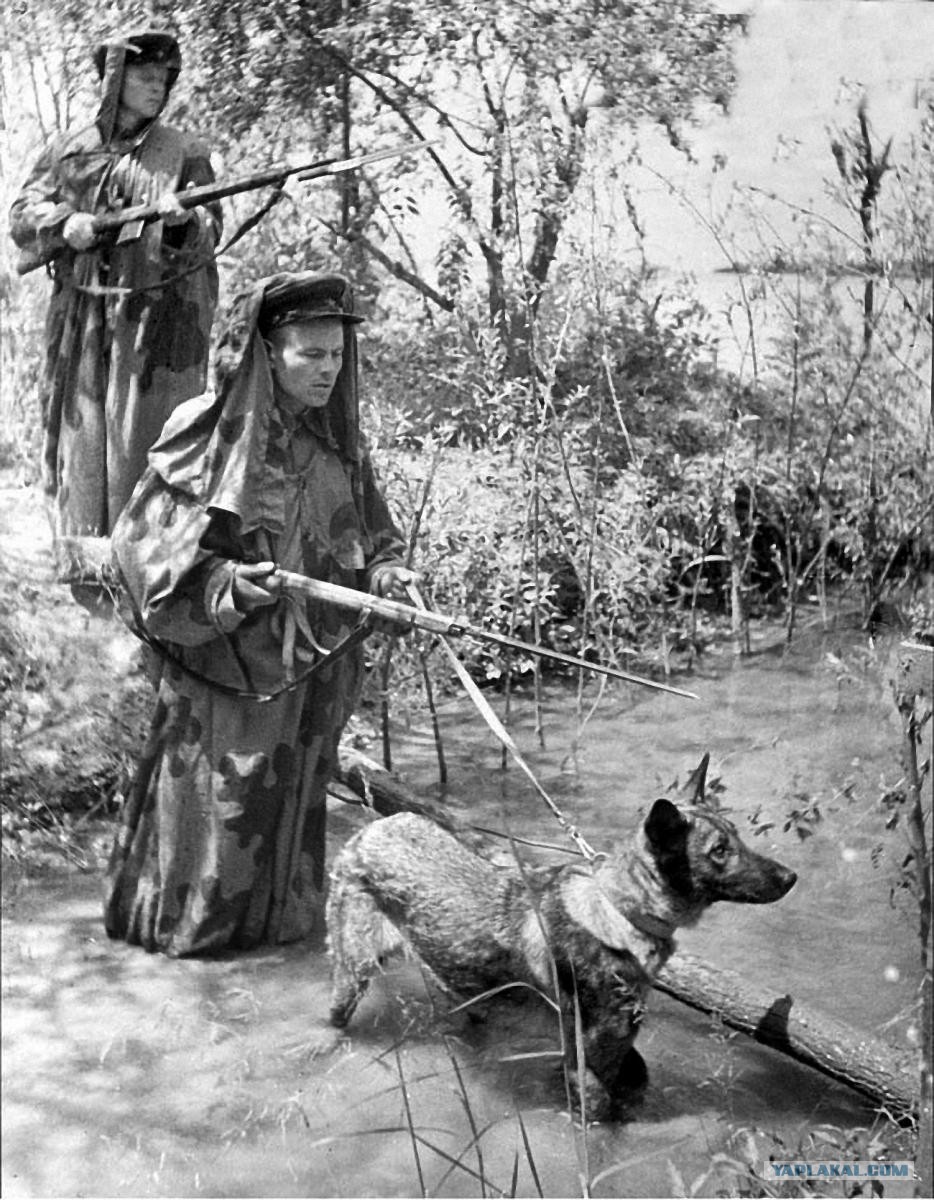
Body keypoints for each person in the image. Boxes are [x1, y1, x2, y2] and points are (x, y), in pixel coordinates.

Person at [104, 271, 418, 956]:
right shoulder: (205, 439)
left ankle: (273, 955)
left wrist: (389, 574)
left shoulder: (338, 447)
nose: (328, 370)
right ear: (268, 353)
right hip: (225, 678)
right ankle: (195, 956)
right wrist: (227, 588)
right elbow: (143, 554)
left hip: (306, 680)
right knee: (220, 812)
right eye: (312, 354)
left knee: (290, 807)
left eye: (337, 355)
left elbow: (378, 539)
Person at [8, 28, 221, 586]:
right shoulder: (69, 150)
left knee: (147, 437)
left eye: (165, 80)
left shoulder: (184, 152)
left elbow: (211, 229)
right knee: (79, 436)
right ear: (114, 81)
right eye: (145, 77)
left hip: (153, 327)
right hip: (80, 317)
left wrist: (182, 224)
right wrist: (64, 223)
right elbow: (21, 214)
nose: (157, 88)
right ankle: (82, 565)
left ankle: (146, 568)